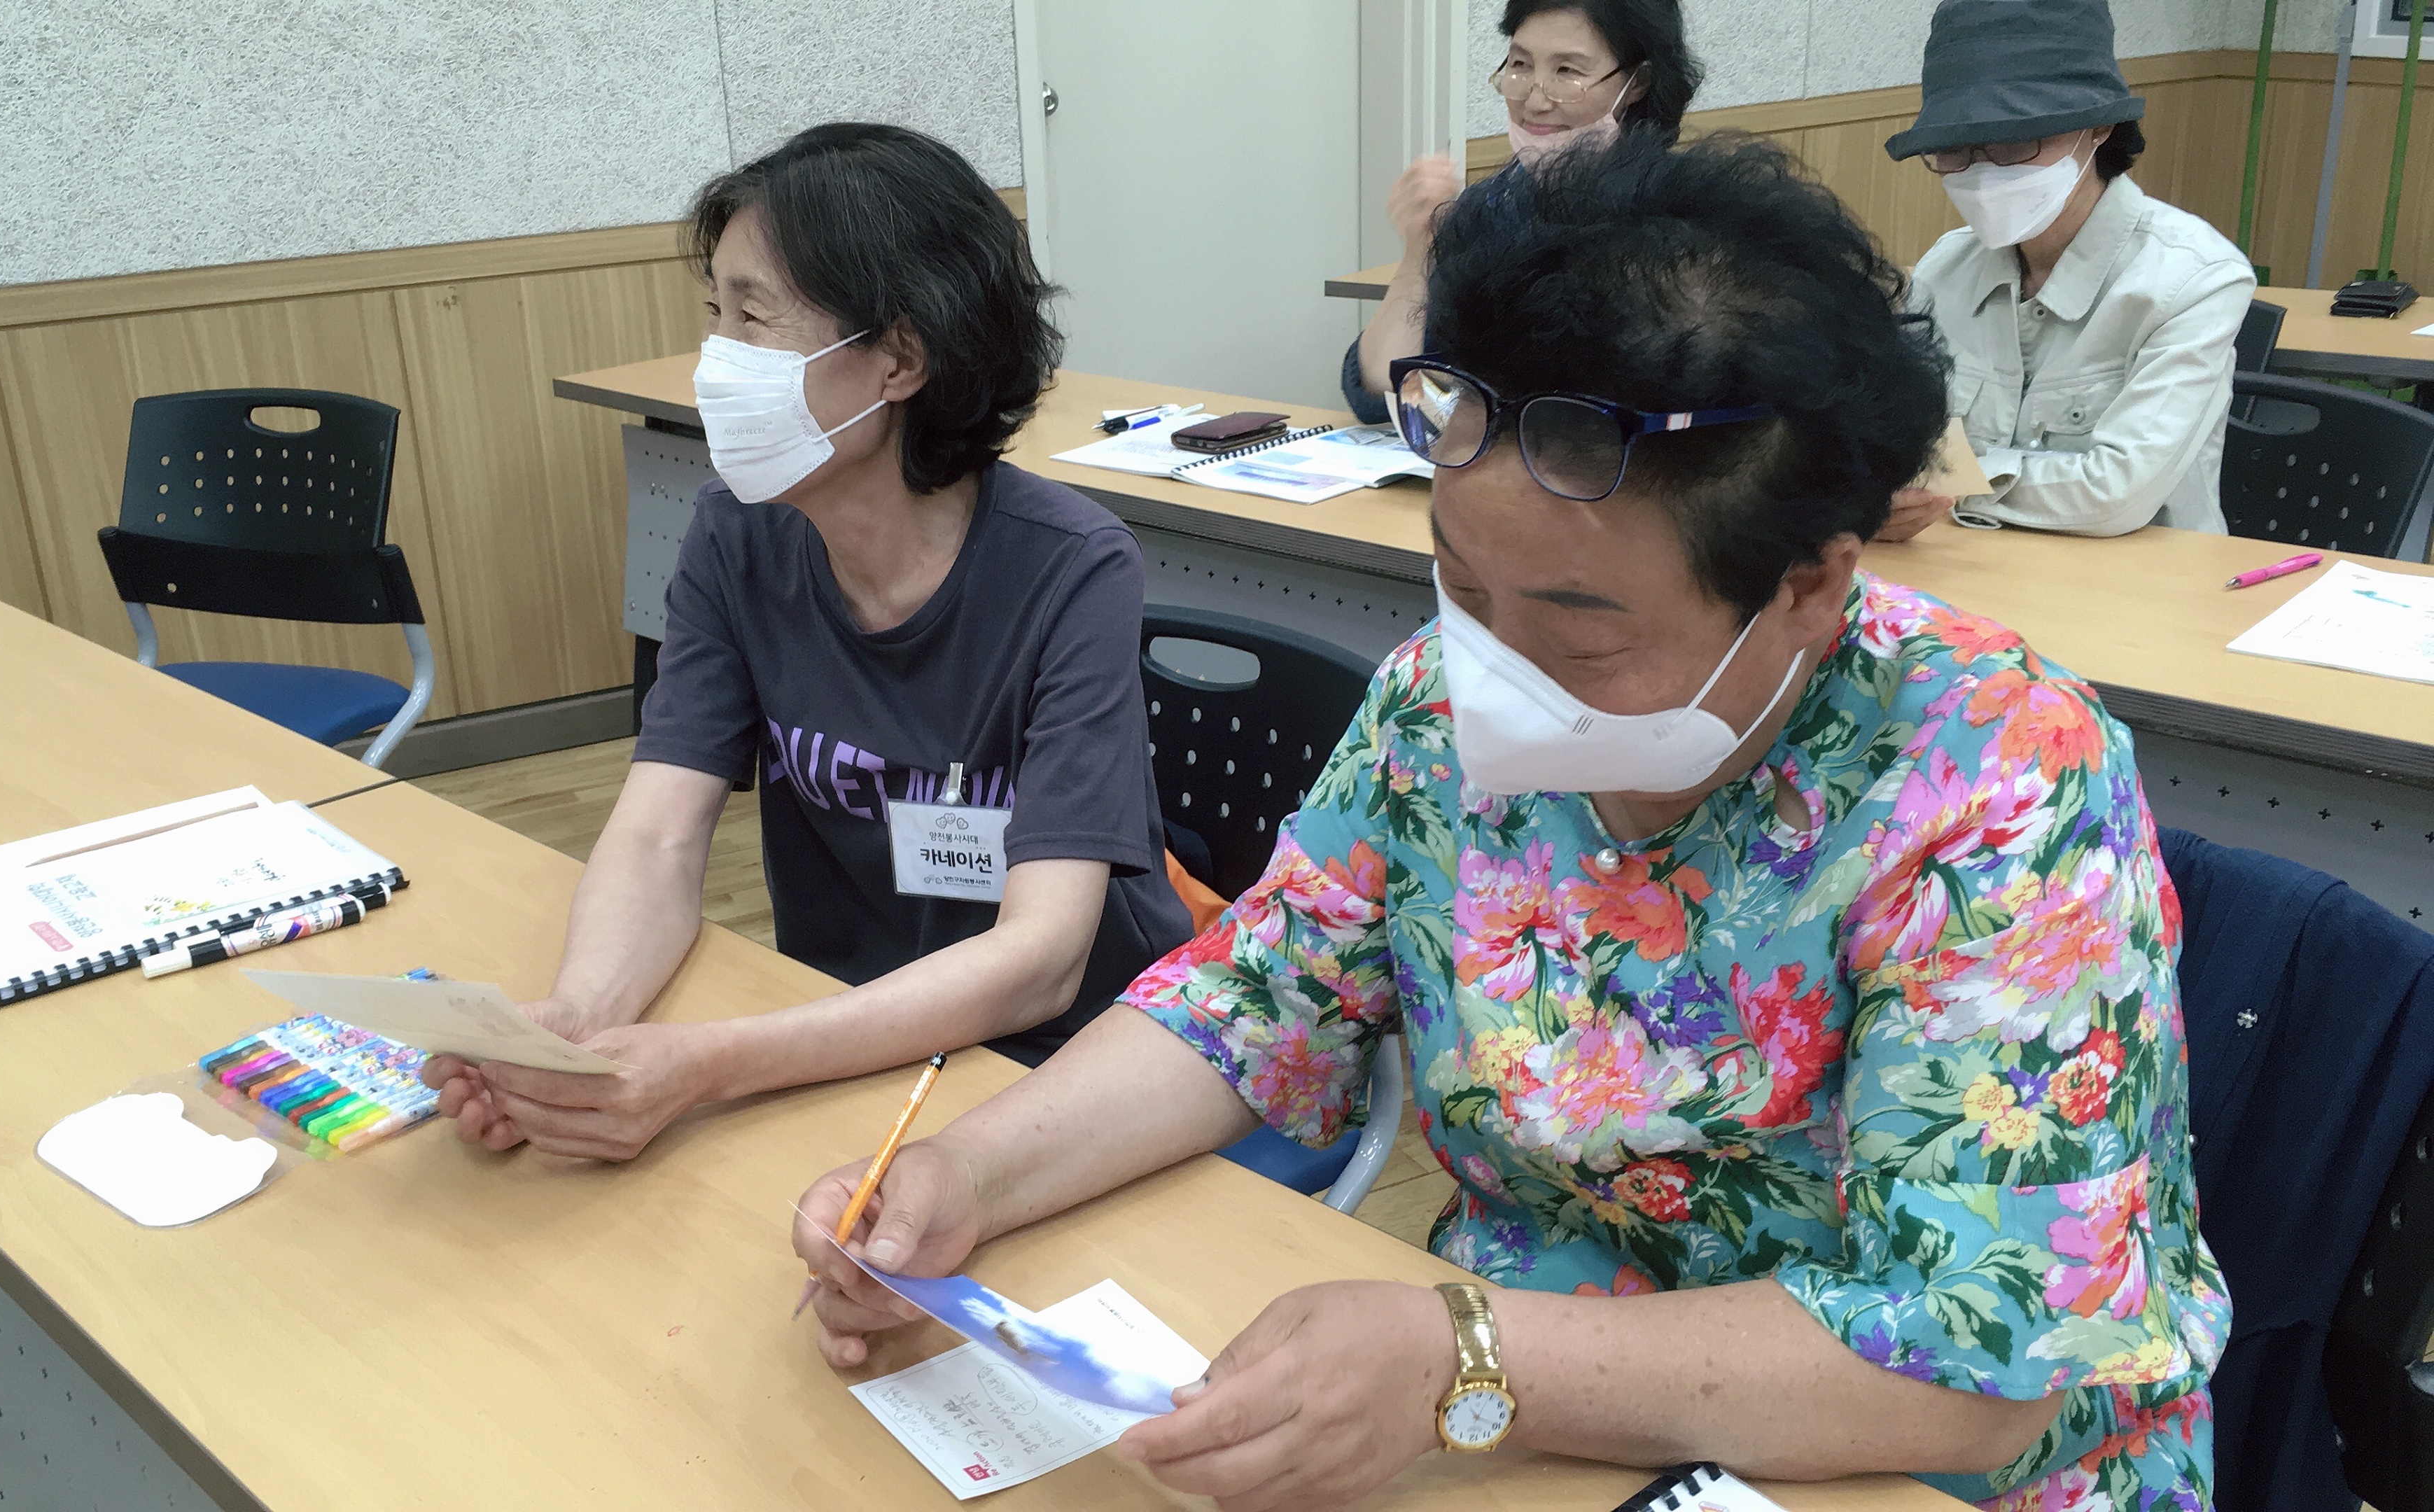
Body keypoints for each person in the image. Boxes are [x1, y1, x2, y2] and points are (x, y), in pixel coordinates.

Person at [796, 134, 2225, 1510]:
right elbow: (1254, 1001)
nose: (1493, 668)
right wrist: (968, 1173)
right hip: (1521, 1424)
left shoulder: (1993, 776)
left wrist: (1467, 1357)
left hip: (1889, 1471)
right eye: (1463, 586)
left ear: (1807, 587)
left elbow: (1976, 1367)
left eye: (1582, 632)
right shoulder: (1437, 708)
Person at [422, 124, 1190, 1161]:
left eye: (755, 318)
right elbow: (657, 837)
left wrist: (708, 1064)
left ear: (900, 360)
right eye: (715, 315)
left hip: (1061, 1061)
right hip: (843, 1029)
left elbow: (1042, 961)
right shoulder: (738, 533)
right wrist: (577, 1022)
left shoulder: (1072, 569)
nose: (716, 361)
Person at [1880, 0, 2252, 542]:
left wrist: (1950, 487)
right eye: (1954, 151)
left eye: (2015, 142)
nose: (1981, 173)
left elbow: (2116, 493)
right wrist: (1876, 498)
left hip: (2140, 580)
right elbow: (1894, 441)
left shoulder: (2195, 279)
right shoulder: (1946, 267)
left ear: (2099, 126)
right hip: (1967, 565)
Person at [1343, 0, 1702, 424]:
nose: (1535, 99)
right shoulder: (1494, 204)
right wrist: (1419, 252)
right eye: (1520, 65)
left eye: (1567, 72)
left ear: (1638, 82)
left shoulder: (1682, 218)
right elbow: (1380, 393)